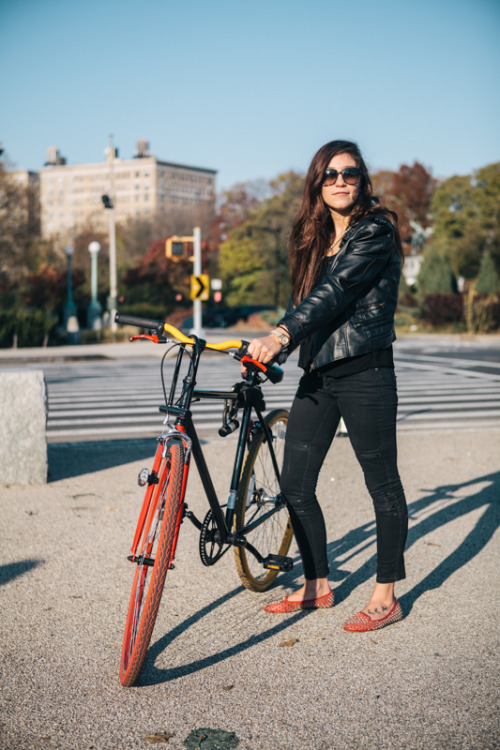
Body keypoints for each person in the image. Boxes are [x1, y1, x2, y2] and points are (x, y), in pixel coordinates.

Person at [246, 140, 408, 632]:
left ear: (363, 180)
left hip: (366, 373)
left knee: (381, 483)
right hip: (320, 374)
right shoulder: (318, 241)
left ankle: (386, 592)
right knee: (295, 483)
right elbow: (312, 304)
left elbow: (337, 294)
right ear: (317, 183)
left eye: (350, 173)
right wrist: (269, 351)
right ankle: (318, 583)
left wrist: (279, 335)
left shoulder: (376, 231)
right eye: (330, 174)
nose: (340, 181)